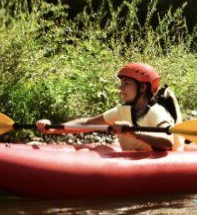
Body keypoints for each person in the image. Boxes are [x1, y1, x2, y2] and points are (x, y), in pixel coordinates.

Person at [38, 62, 175, 151]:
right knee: (99, 149)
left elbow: (168, 142)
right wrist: (53, 129)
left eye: (126, 83)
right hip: (130, 163)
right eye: (121, 83)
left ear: (143, 87)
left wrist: (133, 133)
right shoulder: (122, 111)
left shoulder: (157, 112)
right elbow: (87, 123)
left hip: (151, 164)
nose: (120, 88)